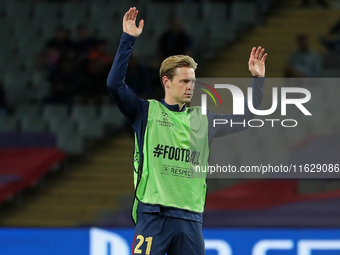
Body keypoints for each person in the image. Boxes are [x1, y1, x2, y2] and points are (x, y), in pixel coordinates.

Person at [107, 7, 267, 255]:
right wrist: (128, 39)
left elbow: (247, 117)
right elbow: (114, 84)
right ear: (166, 82)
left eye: (193, 81)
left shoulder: (204, 120)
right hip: (153, 215)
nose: (190, 86)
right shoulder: (145, 112)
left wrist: (258, 81)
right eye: (184, 81)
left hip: (190, 219)